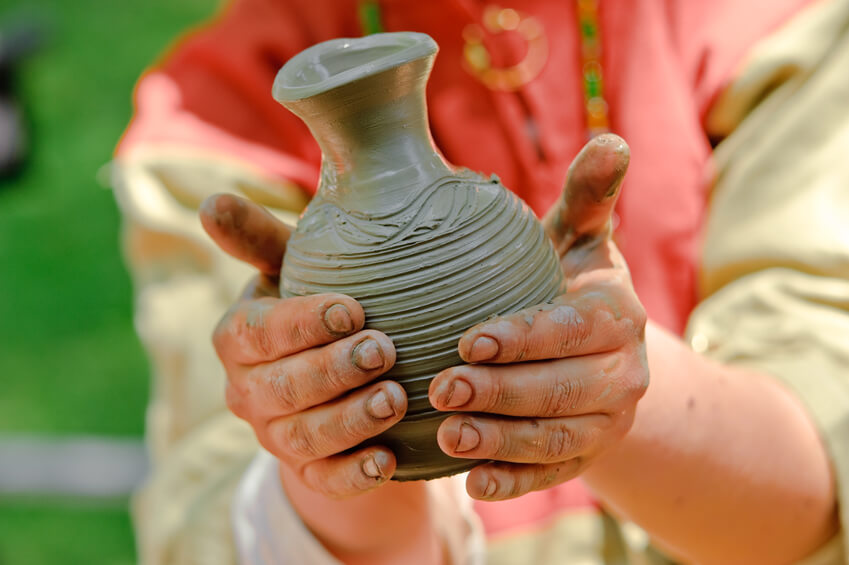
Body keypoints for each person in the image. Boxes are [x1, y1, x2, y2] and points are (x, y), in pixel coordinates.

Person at [112, 0, 849, 563]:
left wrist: (604, 375)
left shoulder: (771, 26)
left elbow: (818, 480)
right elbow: (206, 521)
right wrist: (324, 445)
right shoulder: (219, 118)